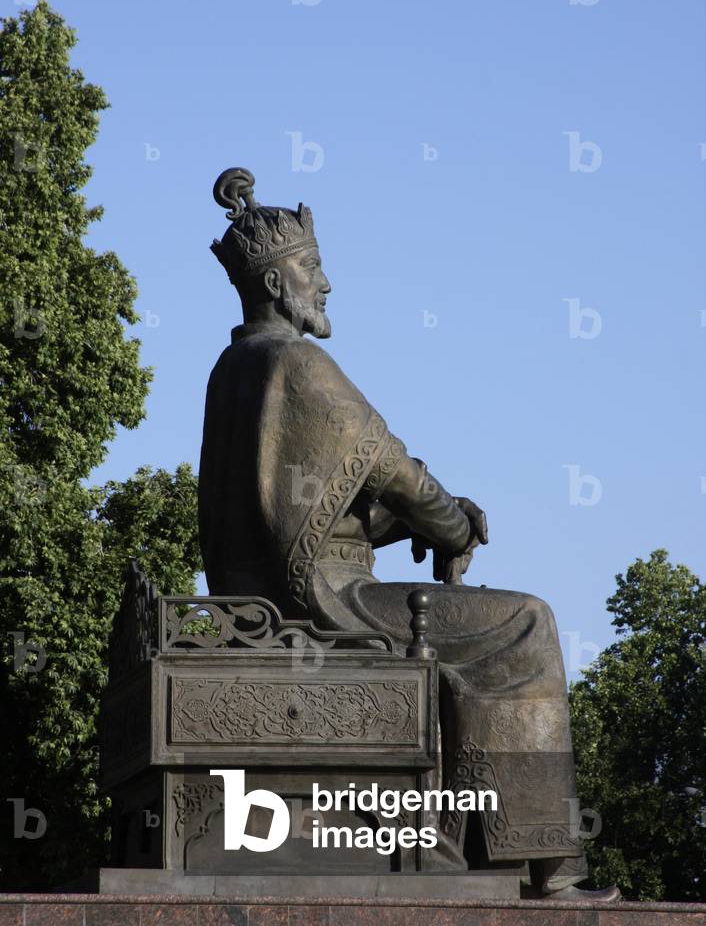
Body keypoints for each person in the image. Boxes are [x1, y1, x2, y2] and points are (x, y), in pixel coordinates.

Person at [198, 167, 618, 901]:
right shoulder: (300, 363)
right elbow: (397, 472)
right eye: (314, 270)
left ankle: (485, 843)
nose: (325, 285)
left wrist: (405, 525)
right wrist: (450, 521)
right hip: (330, 606)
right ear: (275, 285)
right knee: (526, 622)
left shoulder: (231, 368)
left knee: (489, 628)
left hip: (268, 604)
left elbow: (313, 514)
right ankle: (550, 867)